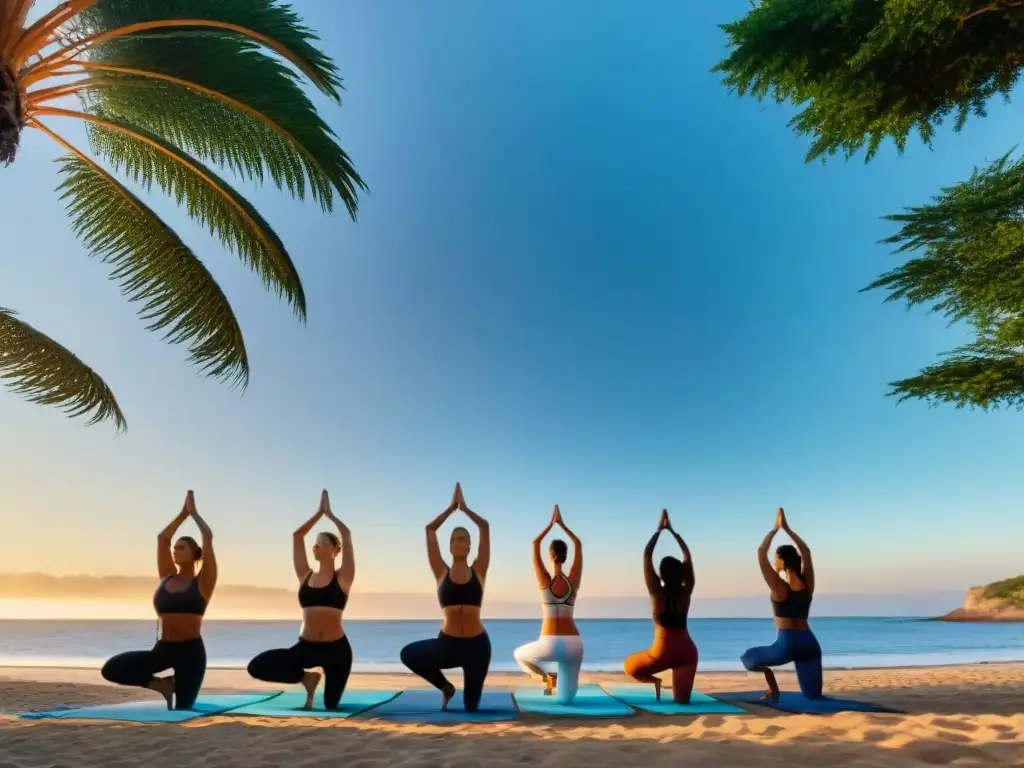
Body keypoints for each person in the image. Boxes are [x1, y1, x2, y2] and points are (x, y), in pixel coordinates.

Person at [101, 490, 217, 710]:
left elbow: (208, 538)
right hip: (163, 649)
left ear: (195, 554)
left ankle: (177, 687)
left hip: (191, 653)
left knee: (183, 709)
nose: (175, 551)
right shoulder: (166, 577)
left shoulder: (203, 583)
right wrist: (182, 514)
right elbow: (162, 538)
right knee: (112, 669)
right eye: (174, 548)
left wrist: (194, 514)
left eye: (181, 548)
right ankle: (161, 685)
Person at [247, 490, 355, 710]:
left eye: (321, 543)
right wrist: (317, 514)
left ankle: (322, 684)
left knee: (331, 706)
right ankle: (308, 678)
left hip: (337, 651)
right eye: (314, 544)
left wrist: (330, 514)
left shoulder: (343, 578)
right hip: (306, 647)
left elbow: (347, 535)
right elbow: (297, 536)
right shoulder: (305, 575)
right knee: (257, 667)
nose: (315, 546)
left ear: (335, 550)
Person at [400, 483, 491, 711]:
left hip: (477, 647)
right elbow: (430, 530)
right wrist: (451, 509)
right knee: (408, 654)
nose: (459, 543)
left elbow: (485, 527)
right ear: (449, 546)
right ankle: (445, 687)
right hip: (448, 645)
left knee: (471, 708)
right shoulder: (441, 572)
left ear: (470, 545)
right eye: (454, 539)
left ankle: (466, 692)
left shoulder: (478, 570)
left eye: (463, 539)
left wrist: (466, 509)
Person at [740, 507, 822, 702]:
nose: (774, 562)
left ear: (783, 561)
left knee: (747, 658)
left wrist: (775, 529)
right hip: (810, 643)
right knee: (813, 697)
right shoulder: (808, 584)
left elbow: (761, 552)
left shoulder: (779, 587)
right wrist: (788, 528)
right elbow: (806, 551)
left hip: (787, 644)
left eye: (776, 559)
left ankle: (773, 689)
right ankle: (803, 695)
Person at [623, 509, 698, 703]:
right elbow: (687, 556)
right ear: (681, 573)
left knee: (629, 666)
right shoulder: (686, 591)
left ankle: (655, 682)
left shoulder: (657, 593)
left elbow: (647, 555)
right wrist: (674, 533)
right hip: (688, 654)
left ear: (661, 575)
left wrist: (659, 531)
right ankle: (670, 686)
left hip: (661, 653)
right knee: (681, 703)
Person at [513, 504, 583, 702]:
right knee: (565, 700)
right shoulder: (573, 582)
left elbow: (535, 543)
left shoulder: (544, 581)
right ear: (566, 555)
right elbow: (578, 543)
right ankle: (555, 682)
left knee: (519, 655)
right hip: (573, 645)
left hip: (549, 643)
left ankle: (547, 677)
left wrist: (551, 524)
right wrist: (562, 524)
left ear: (550, 556)